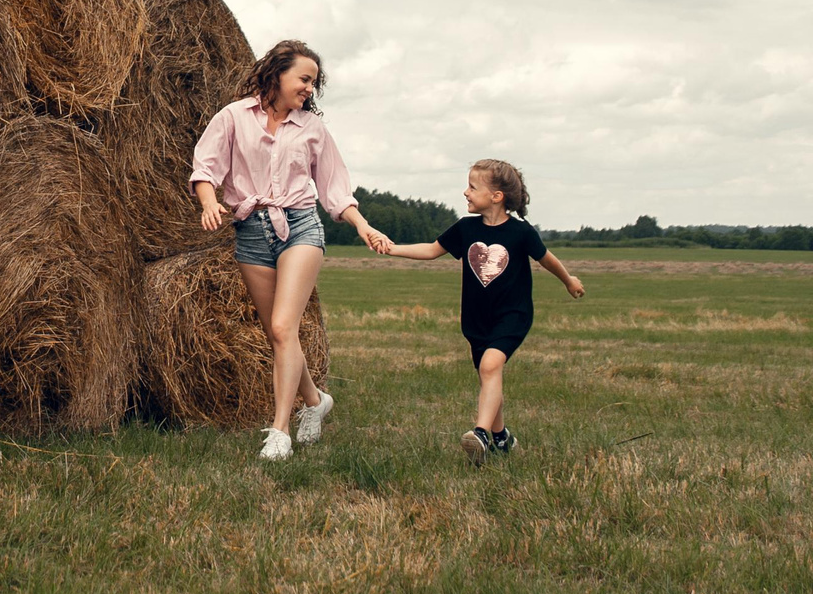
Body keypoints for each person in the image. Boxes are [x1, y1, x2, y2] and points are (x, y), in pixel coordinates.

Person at [190, 39, 390, 462]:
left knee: (284, 326)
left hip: (300, 226)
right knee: (277, 333)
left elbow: (336, 189)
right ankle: (317, 401)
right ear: (277, 74)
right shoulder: (232, 117)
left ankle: (280, 431)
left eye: (313, 83)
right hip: (250, 232)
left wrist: (363, 226)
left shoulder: (313, 129)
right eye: (303, 78)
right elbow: (205, 167)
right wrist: (209, 201)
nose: (308, 89)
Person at [366, 158, 582, 465]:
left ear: (496, 196)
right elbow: (431, 250)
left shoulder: (521, 233)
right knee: (487, 375)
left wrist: (569, 281)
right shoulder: (465, 228)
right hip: (476, 318)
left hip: (513, 314)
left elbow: (547, 259)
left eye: (472, 187)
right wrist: (392, 248)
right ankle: (501, 437)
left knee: (491, 366)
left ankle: (480, 433)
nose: (465, 192)